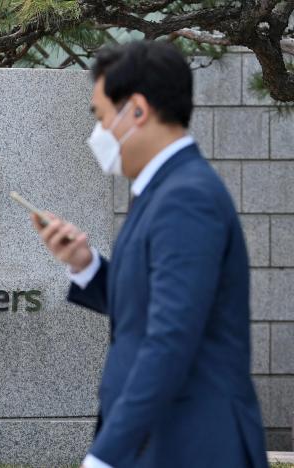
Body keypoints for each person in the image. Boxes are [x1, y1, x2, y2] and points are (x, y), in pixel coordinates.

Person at [31, 41, 268, 468]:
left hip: (191, 443)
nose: (98, 132)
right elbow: (149, 307)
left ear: (137, 110)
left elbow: (170, 339)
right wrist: (86, 266)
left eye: (102, 117)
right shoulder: (164, 191)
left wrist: (105, 455)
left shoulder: (186, 197)